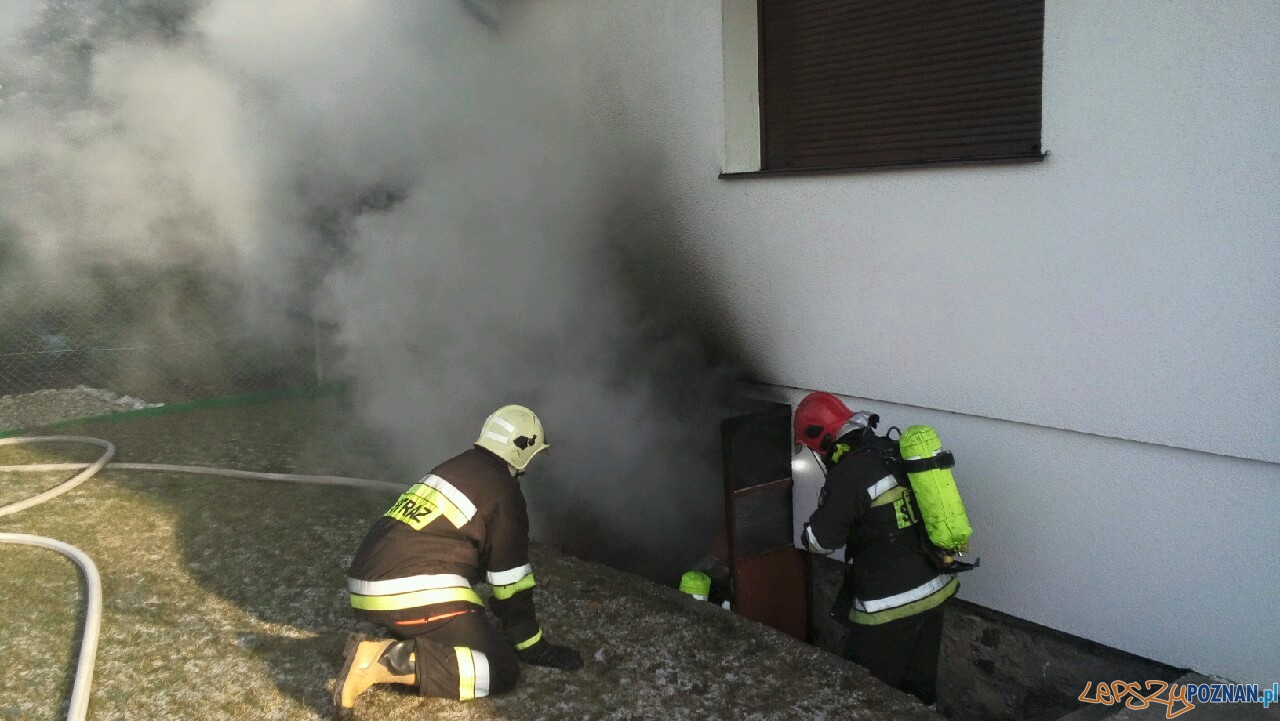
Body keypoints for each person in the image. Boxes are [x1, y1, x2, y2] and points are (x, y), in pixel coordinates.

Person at [334, 404, 583, 719]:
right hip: (406, 587)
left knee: (460, 624)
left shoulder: (454, 467)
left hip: (366, 582)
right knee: (499, 668)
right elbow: (510, 581)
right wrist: (533, 646)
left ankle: (411, 635)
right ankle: (381, 661)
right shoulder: (504, 491)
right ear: (523, 452)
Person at [795, 391, 957, 706]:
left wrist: (818, 516)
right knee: (918, 692)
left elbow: (819, 542)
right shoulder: (891, 450)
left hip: (889, 604)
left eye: (813, 449)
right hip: (934, 590)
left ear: (822, 439)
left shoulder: (849, 474)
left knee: (865, 696)